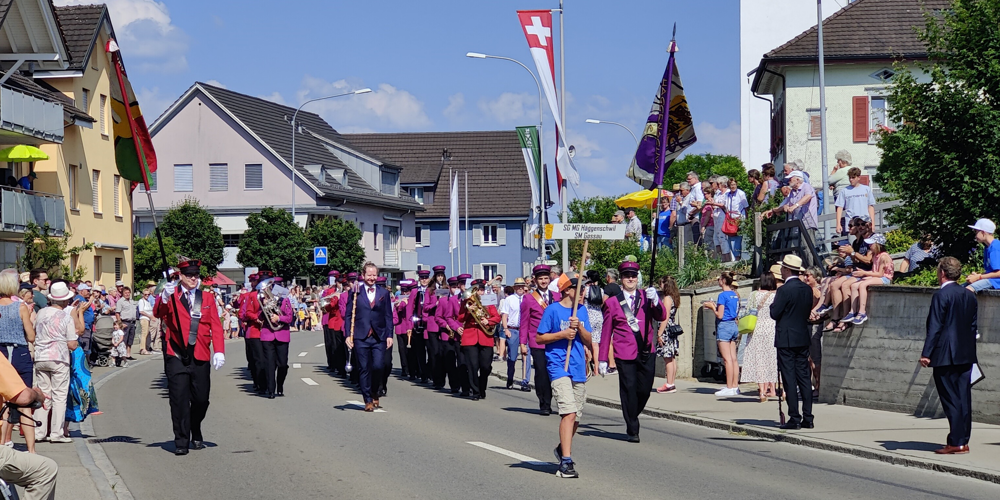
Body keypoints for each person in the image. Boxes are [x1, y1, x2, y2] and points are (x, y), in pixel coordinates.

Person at [154, 258, 226, 455]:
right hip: (176, 353)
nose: (194, 278)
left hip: (200, 352)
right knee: (178, 399)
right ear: (181, 276)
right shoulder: (171, 295)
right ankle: (181, 441)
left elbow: (215, 325)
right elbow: (158, 313)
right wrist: (164, 297)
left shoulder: (207, 298)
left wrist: (219, 350)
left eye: (196, 275)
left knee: (201, 399)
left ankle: (195, 425)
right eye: (189, 275)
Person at [598, 260, 666, 443]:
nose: (630, 279)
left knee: (644, 390)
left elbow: (661, 316)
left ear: (637, 278)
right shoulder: (612, 303)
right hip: (624, 353)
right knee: (629, 389)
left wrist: (656, 301)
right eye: (627, 276)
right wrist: (603, 358)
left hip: (646, 351)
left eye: (633, 276)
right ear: (621, 278)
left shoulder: (647, 297)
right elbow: (606, 332)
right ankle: (632, 428)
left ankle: (631, 412)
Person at [920, 257, 979, 454]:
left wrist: (926, 353)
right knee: (963, 397)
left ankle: (956, 441)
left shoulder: (941, 295)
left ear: (942, 273)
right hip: (965, 353)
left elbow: (935, 326)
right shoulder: (969, 295)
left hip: (945, 354)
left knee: (950, 398)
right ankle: (963, 440)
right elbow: (973, 327)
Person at [536, 272, 591, 479]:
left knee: (576, 416)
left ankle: (561, 448)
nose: (583, 291)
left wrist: (579, 328)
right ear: (567, 290)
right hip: (558, 366)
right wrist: (563, 334)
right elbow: (539, 338)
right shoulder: (552, 310)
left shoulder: (582, 310)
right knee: (568, 412)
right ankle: (566, 462)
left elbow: (588, 339)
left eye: (583, 288)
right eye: (579, 288)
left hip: (577, 366)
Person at [32, 281, 82, 443]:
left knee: (44, 394)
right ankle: (56, 433)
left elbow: (34, 330)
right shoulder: (66, 317)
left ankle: (39, 431)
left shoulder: (41, 313)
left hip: (41, 356)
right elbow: (72, 344)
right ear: (65, 300)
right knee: (59, 396)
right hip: (58, 357)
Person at [769, 254, 814, 430]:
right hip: (802, 336)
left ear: (787, 269)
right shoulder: (806, 289)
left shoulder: (784, 290)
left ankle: (794, 417)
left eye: (782, 268)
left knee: (789, 378)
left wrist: (774, 306)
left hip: (786, 338)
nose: (781, 270)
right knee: (804, 377)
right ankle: (808, 417)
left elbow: (775, 313)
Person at [344, 262, 393, 412]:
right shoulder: (355, 292)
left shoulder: (384, 293)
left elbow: (388, 316)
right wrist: (348, 335)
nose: (372, 278)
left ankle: (375, 391)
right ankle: (367, 400)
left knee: (379, 366)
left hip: (379, 336)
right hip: (361, 336)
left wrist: (389, 335)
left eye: (374, 275)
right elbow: (348, 315)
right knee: (364, 368)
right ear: (363, 275)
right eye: (369, 275)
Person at [0, 269, 36, 452]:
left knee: (3, 402)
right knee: (24, 403)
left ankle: (3, 444)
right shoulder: (21, 307)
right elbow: (31, 336)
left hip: (1, 355)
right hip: (19, 353)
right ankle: (31, 450)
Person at [520, 265, 559, 415]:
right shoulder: (529, 298)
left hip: (555, 341)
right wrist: (523, 343)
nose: (543, 281)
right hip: (538, 341)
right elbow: (524, 322)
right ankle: (544, 403)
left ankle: (558, 400)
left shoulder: (557, 296)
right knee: (542, 373)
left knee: (555, 373)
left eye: (546, 278)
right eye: (540, 278)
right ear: (535, 281)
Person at [458, 282, 501, 401]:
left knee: (485, 366)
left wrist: (489, 321)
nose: (480, 292)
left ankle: (482, 388)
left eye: (482, 290)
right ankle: (475, 392)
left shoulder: (489, 302)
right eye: (478, 290)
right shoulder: (466, 302)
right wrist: (468, 311)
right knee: (472, 366)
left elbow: (497, 317)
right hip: (470, 336)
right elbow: (460, 318)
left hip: (485, 337)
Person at [740, 273, 779, 402]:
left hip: (757, 329)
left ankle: (762, 392)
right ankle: (775, 389)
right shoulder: (775, 295)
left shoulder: (754, 295)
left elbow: (747, 310)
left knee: (760, 360)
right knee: (772, 359)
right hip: (772, 328)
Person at [842, 233, 893, 325]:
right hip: (876, 276)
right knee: (854, 285)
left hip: (884, 278)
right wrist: (863, 273)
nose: (869, 246)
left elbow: (880, 274)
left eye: (871, 244)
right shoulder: (875, 255)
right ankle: (853, 311)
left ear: (878, 245)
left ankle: (862, 312)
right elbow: (874, 271)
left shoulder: (883, 256)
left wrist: (864, 273)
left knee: (862, 285)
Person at [702, 272, 740, 396]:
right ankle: (735, 386)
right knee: (733, 358)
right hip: (733, 325)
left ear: (723, 281)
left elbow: (720, 315)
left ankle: (729, 387)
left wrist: (712, 307)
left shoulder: (722, 295)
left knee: (727, 359)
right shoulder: (734, 294)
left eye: (719, 279)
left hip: (724, 326)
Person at [259, 282, 293, 399]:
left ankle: (280, 385)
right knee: (269, 364)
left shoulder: (285, 300)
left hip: (282, 335)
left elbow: (289, 318)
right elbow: (259, 317)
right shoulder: (262, 301)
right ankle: (271, 390)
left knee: (282, 364)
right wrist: (263, 307)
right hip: (267, 335)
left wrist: (279, 318)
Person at [238, 273, 266, 393]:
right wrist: (256, 318)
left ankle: (267, 382)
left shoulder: (269, 295)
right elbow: (243, 313)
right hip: (254, 330)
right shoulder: (249, 296)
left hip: (267, 331)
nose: (254, 283)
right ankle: (258, 383)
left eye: (256, 281)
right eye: (253, 281)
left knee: (267, 359)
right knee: (255, 360)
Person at [405, 269, 433, 383]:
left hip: (430, 325)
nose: (424, 280)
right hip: (418, 325)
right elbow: (409, 309)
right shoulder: (415, 291)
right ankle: (423, 374)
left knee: (432, 351)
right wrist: (409, 326)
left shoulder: (432, 290)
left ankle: (429, 371)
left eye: (426, 278)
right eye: (422, 278)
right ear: (419, 279)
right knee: (420, 351)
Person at [655, 276, 681, 394]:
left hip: (666, 329)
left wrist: (659, 333)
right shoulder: (674, 297)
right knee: (671, 357)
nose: (660, 286)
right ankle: (671, 382)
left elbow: (665, 317)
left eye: (661, 284)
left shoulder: (667, 298)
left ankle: (669, 384)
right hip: (671, 328)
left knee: (668, 358)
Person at [834, 167, 876, 236]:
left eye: (853, 177)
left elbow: (870, 207)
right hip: (852, 224)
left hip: (865, 223)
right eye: (850, 178)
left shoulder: (866, 189)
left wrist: (873, 224)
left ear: (858, 177)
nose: (851, 180)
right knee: (853, 242)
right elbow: (839, 208)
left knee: (865, 242)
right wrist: (838, 224)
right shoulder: (844, 191)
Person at [500, 277, 526, 390]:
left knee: (525, 355)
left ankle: (525, 380)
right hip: (513, 329)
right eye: (518, 286)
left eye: (522, 286)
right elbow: (504, 315)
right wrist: (506, 329)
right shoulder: (509, 299)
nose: (520, 288)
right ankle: (510, 378)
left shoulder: (527, 298)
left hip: (524, 329)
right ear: (515, 288)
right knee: (513, 356)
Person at [965, 218, 999, 294]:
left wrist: (979, 277)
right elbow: (991, 271)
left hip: (996, 282)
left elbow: (998, 273)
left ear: (983, 232)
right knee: (960, 288)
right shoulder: (987, 247)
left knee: (967, 290)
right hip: (992, 280)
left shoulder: (995, 248)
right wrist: (977, 276)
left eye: (976, 232)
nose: (975, 235)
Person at [722, 177, 749, 260]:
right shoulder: (727, 195)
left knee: (737, 237)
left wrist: (747, 220)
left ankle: (738, 257)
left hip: (739, 218)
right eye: (731, 185)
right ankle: (735, 256)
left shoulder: (741, 194)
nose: (733, 186)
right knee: (729, 237)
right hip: (730, 218)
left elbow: (746, 207)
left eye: (734, 184)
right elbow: (724, 206)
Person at [114, 286, 137, 360]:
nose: (127, 294)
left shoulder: (132, 301)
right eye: (125, 293)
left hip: (132, 322)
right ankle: (121, 355)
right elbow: (117, 313)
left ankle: (128, 354)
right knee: (124, 339)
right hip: (125, 322)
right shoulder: (120, 302)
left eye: (128, 292)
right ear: (122, 293)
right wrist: (120, 324)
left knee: (130, 339)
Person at [138, 286, 156, 354]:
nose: (147, 296)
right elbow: (141, 311)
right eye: (145, 294)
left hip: (148, 319)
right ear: (143, 294)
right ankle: (142, 348)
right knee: (144, 333)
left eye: (148, 294)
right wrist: (150, 316)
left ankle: (145, 347)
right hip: (144, 318)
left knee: (147, 333)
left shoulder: (147, 301)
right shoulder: (141, 301)